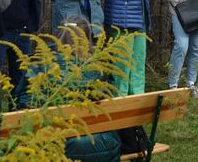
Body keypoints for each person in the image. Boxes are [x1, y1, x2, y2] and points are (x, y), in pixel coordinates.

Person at [15, 16, 121, 162]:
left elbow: (22, 105)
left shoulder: (38, 64)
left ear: (58, 35)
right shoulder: (99, 68)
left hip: (53, 144)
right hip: (103, 145)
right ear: (87, 38)